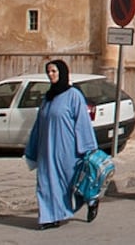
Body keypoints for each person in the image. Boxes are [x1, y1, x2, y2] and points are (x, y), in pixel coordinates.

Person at [23, 60, 100, 230]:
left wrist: (88, 148)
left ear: (63, 73)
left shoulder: (73, 95)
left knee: (73, 183)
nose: (51, 75)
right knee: (46, 182)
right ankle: (50, 217)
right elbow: (39, 124)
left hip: (68, 149)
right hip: (46, 150)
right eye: (48, 72)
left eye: (54, 71)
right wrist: (32, 148)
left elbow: (82, 123)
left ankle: (92, 200)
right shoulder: (48, 98)